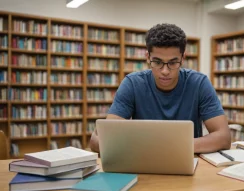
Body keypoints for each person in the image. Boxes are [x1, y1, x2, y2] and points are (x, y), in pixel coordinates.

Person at [90, 23, 231, 153]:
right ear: (147, 57)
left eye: (173, 62)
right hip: (144, 162)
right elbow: (102, 138)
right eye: (157, 62)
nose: (164, 71)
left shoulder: (199, 83)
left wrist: (168, 147)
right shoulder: (132, 84)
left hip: (186, 160)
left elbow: (223, 137)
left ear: (183, 58)